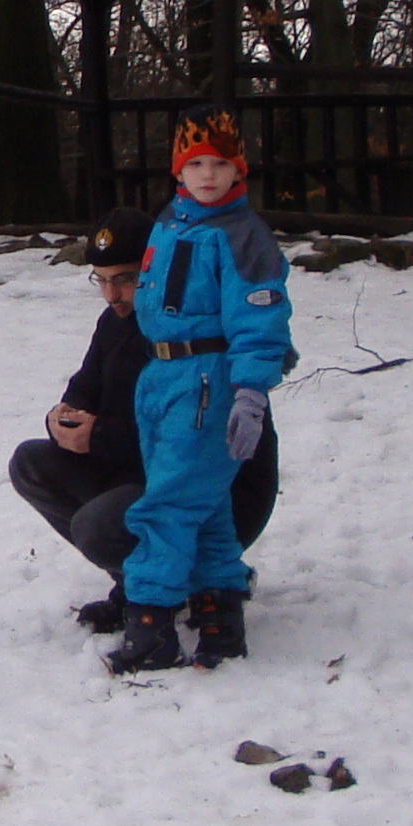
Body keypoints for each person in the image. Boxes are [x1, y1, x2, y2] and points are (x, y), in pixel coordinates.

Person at [10, 207, 279, 633]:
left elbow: (187, 438)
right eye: (101, 280)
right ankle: (138, 584)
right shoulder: (115, 321)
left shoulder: (190, 330)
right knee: (31, 463)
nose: (111, 295)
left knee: (98, 526)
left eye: (124, 279)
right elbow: (84, 389)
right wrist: (61, 420)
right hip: (138, 474)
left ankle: (195, 586)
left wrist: (99, 437)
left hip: (215, 497)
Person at [104, 115, 296, 673]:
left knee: (168, 502)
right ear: (178, 171)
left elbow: (260, 318)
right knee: (205, 504)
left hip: (208, 381)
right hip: (162, 375)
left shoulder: (243, 237)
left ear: (239, 170)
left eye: (220, 164)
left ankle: (151, 623)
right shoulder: (171, 223)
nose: (207, 175)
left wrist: (251, 392)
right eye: (195, 164)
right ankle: (219, 615)